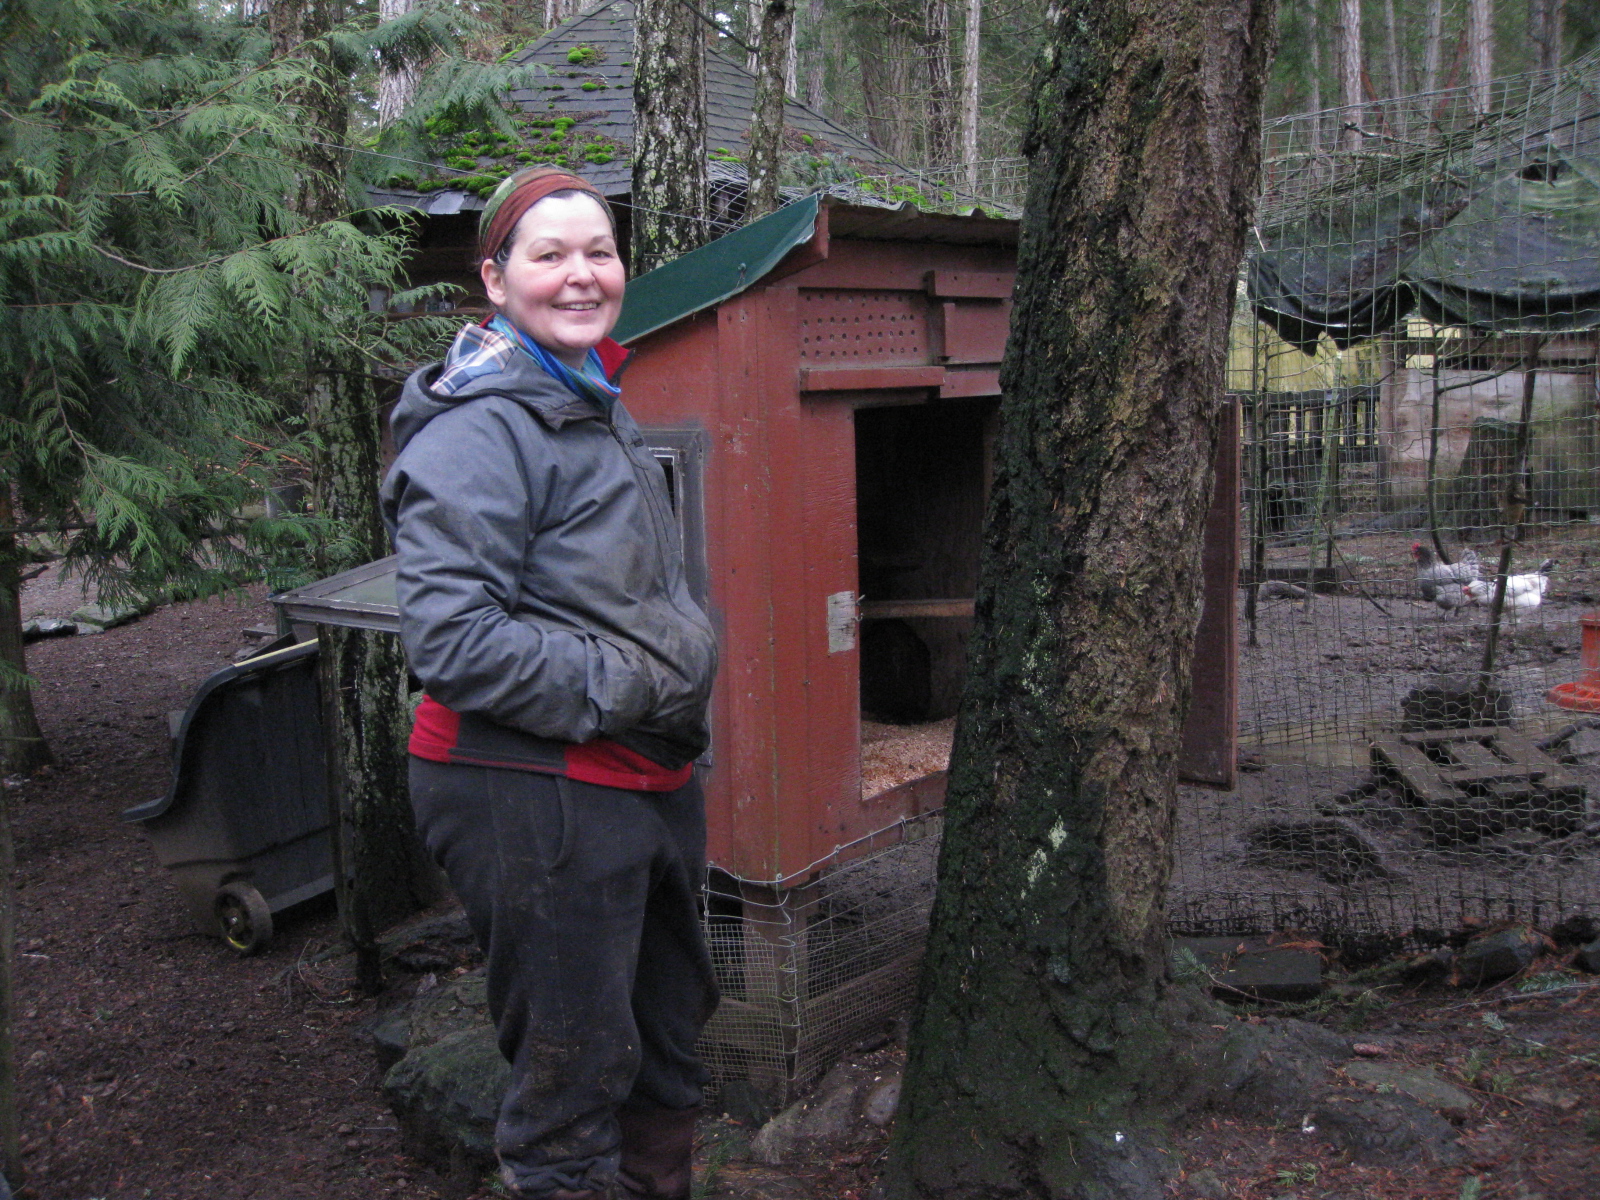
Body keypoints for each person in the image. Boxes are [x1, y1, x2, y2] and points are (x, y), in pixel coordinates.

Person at [380, 166, 720, 1200]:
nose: (581, 275)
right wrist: (636, 681)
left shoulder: (585, 396)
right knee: (573, 1076)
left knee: (665, 1039)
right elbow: (454, 640)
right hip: (532, 787)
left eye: (599, 252)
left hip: (640, 777)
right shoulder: (479, 431)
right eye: (550, 255)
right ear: (495, 279)